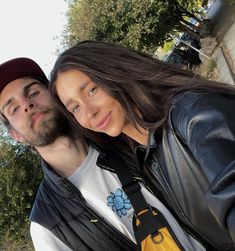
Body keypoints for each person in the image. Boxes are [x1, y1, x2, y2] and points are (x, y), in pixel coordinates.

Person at [0, 58, 205, 251]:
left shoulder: (128, 138)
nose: (27, 105)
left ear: (57, 97)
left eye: (33, 93)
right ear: (16, 134)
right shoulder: (47, 226)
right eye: (14, 108)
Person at [49, 40, 235, 251]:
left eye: (92, 90)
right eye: (75, 108)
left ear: (115, 72)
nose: (89, 112)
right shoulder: (142, 159)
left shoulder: (192, 115)